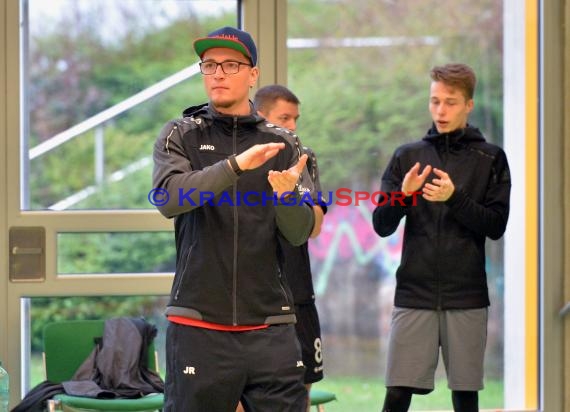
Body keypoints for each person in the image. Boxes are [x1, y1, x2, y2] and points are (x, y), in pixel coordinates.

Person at [152, 26, 317, 411]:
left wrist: (286, 198)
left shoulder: (284, 143)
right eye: (209, 65)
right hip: (198, 324)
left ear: (252, 74)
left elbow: (298, 233)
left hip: (270, 327)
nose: (218, 74)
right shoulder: (181, 134)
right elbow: (169, 198)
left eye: (230, 65)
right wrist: (235, 166)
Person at [372, 63, 511, 411]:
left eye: (450, 102)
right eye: (435, 101)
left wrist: (454, 198)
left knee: (465, 398)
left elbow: (495, 225)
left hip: (467, 295)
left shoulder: (491, 159)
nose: (440, 110)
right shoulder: (407, 156)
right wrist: (401, 197)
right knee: (397, 395)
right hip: (413, 292)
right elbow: (381, 224)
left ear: (469, 105)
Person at [253, 85, 326, 411]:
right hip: (253, 299)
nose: (293, 126)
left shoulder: (304, 159)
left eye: (295, 118)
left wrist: (290, 197)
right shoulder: (240, 164)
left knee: (302, 390)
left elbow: (315, 225)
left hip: (298, 295)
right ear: (260, 117)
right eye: (285, 118)